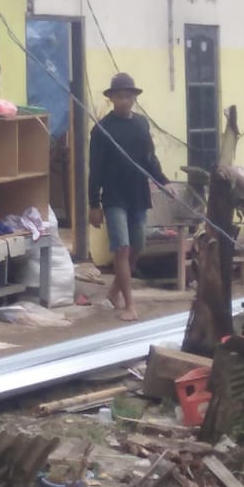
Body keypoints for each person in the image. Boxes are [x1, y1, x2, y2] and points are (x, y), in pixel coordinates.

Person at [88, 72, 174, 322]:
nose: (124, 101)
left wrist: (163, 180)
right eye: (119, 96)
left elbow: (149, 158)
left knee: (138, 247)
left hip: (138, 194)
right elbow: (95, 170)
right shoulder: (101, 130)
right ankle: (129, 305)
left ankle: (114, 290)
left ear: (134, 98)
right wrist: (94, 204)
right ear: (112, 99)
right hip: (114, 197)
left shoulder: (141, 124)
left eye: (128, 96)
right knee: (122, 249)